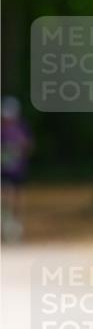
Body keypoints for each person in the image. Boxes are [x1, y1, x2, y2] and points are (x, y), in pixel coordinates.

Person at [1, 95, 34, 243]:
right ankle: (6, 223)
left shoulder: (22, 128)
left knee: (16, 197)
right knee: (5, 195)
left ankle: (15, 224)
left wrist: (21, 146)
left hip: (17, 169)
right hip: (3, 169)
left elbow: (29, 146)